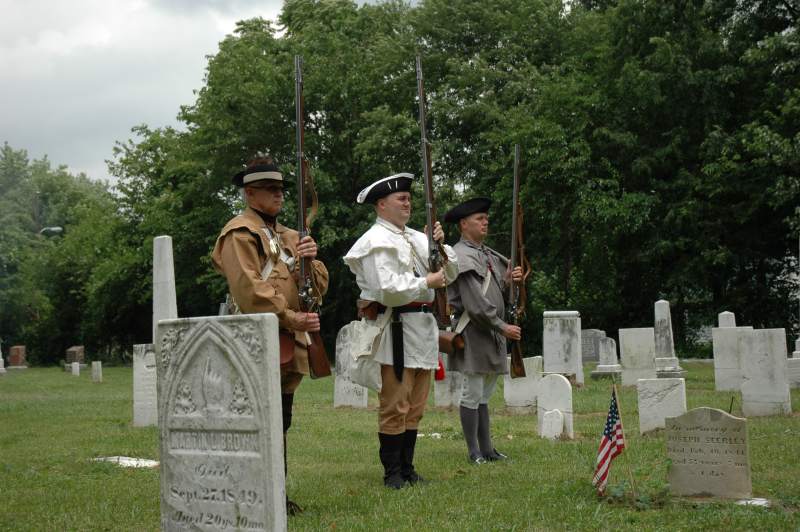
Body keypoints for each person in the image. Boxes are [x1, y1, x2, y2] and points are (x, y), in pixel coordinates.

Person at [211, 155, 329, 514]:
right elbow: (249, 291)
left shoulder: (291, 236)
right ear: (250, 194)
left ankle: (274, 491)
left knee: (281, 418)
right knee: (254, 419)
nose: (279, 195)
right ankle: (249, 492)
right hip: (255, 337)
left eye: (281, 189)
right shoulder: (239, 233)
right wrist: (292, 317)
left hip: (286, 339)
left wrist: (311, 259)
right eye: (270, 190)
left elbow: (320, 286)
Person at [343, 173, 458, 488]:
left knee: (416, 406)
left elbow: (451, 272)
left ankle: (407, 468)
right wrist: (426, 282)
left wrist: (440, 246)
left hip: (421, 328)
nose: (407, 202)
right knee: (395, 404)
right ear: (381, 204)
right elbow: (387, 289)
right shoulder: (375, 241)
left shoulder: (416, 238)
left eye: (409, 197)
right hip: (394, 329)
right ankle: (392, 472)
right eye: (400, 198)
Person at [443, 197, 523, 464]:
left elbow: (500, 289)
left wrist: (511, 279)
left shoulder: (488, 254)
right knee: (472, 392)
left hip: (491, 333)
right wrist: (502, 328)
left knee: (484, 395)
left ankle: (487, 449)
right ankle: (473, 451)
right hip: (475, 331)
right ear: (464, 224)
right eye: (479, 218)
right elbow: (475, 304)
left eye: (486, 218)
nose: (485, 221)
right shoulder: (460, 256)